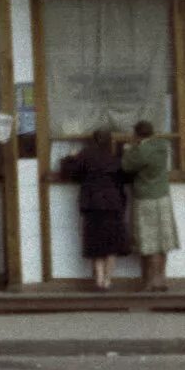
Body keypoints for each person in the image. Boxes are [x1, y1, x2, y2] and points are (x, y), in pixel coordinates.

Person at [57, 126, 132, 292]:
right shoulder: (115, 158)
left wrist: (69, 157)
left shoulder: (85, 156)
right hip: (113, 204)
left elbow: (67, 173)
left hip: (92, 204)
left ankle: (98, 280)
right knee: (112, 244)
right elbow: (127, 176)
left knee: (96, 243)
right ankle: (107, 280)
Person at [120, 121, 172, 293]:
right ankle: (162, 279)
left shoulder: (141, 151)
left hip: (146, 199)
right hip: (163, 196)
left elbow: (126, 166)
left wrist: (128, 148)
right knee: (163, 241)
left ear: (136, 134)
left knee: (149, 242)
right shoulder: (163, 145)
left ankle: (150, 282)